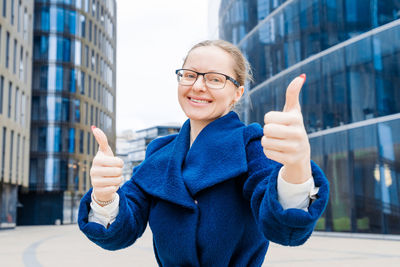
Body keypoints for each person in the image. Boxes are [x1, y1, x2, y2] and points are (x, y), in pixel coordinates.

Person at [78, 40, 329, 266]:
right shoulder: (158, 153)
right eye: (189, 75)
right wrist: (104, 197)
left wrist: (296, 168)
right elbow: (120, 233)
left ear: (237, 93)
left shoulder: (251, 144)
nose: (198, 86)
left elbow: (285, 229)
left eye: (215, 79)